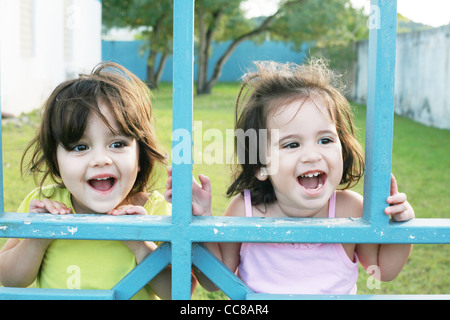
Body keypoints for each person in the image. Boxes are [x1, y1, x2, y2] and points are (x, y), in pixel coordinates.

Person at [165, 59, 415, 295]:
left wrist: (402, 225)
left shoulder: (348, 207)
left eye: (325, 140)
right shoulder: (246, 210)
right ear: (261, 165)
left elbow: (383, 271)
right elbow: (213, 281)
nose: (311, 155)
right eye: (292, 144)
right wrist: (203, 221)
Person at [0, 62, 192, 299]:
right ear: (56, 162)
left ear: (140, 156)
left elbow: (180, 291)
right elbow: (10, 279)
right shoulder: (45, 205)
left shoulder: (155, 211)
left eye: (117, 144)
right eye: (81, 147)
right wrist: (37, 238)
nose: (101, 159)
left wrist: (141, 244)